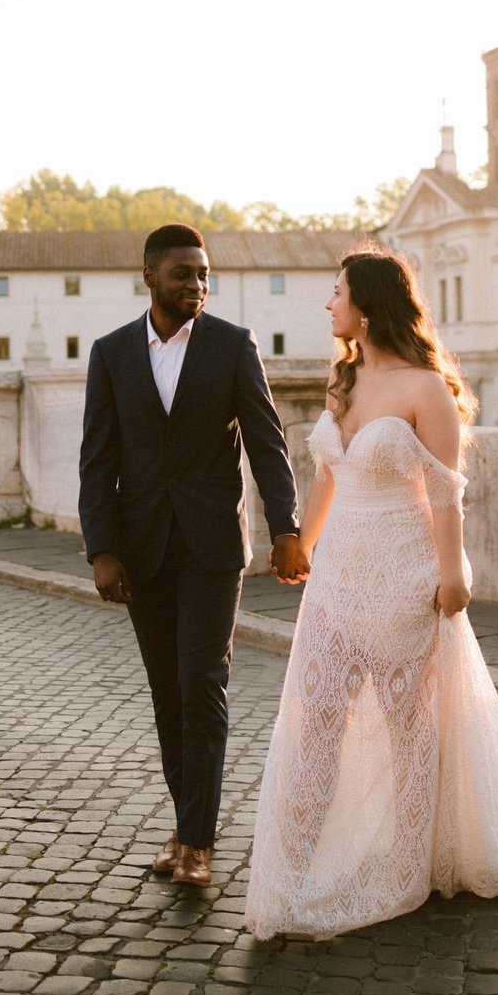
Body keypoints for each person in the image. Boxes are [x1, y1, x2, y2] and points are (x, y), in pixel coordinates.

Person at [245, 245, 498, 939]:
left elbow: (444, 492)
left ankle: (411, 862)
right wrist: (302, 542)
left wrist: (453, 573)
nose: (328, 303)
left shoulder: (426, 388)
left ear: (368, 307)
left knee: (410, 727)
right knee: (316, 723)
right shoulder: (342, 382)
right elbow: (328, 476)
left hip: (403, 574)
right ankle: (294, 869)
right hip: (336, 577)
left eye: (337, 292)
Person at [79, 223, 310, 887]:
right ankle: (185, 828)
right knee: (167, 691)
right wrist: (102, 550)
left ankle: (199, 844)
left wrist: (286, 528)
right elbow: (97, 460)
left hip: (213, 547)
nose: (197, 285)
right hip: (142, 548)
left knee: (202, 683)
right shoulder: (111, 354)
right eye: (183, 273)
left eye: (204, 274)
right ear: (149, 276)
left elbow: (268, 442)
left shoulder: (232, 346)